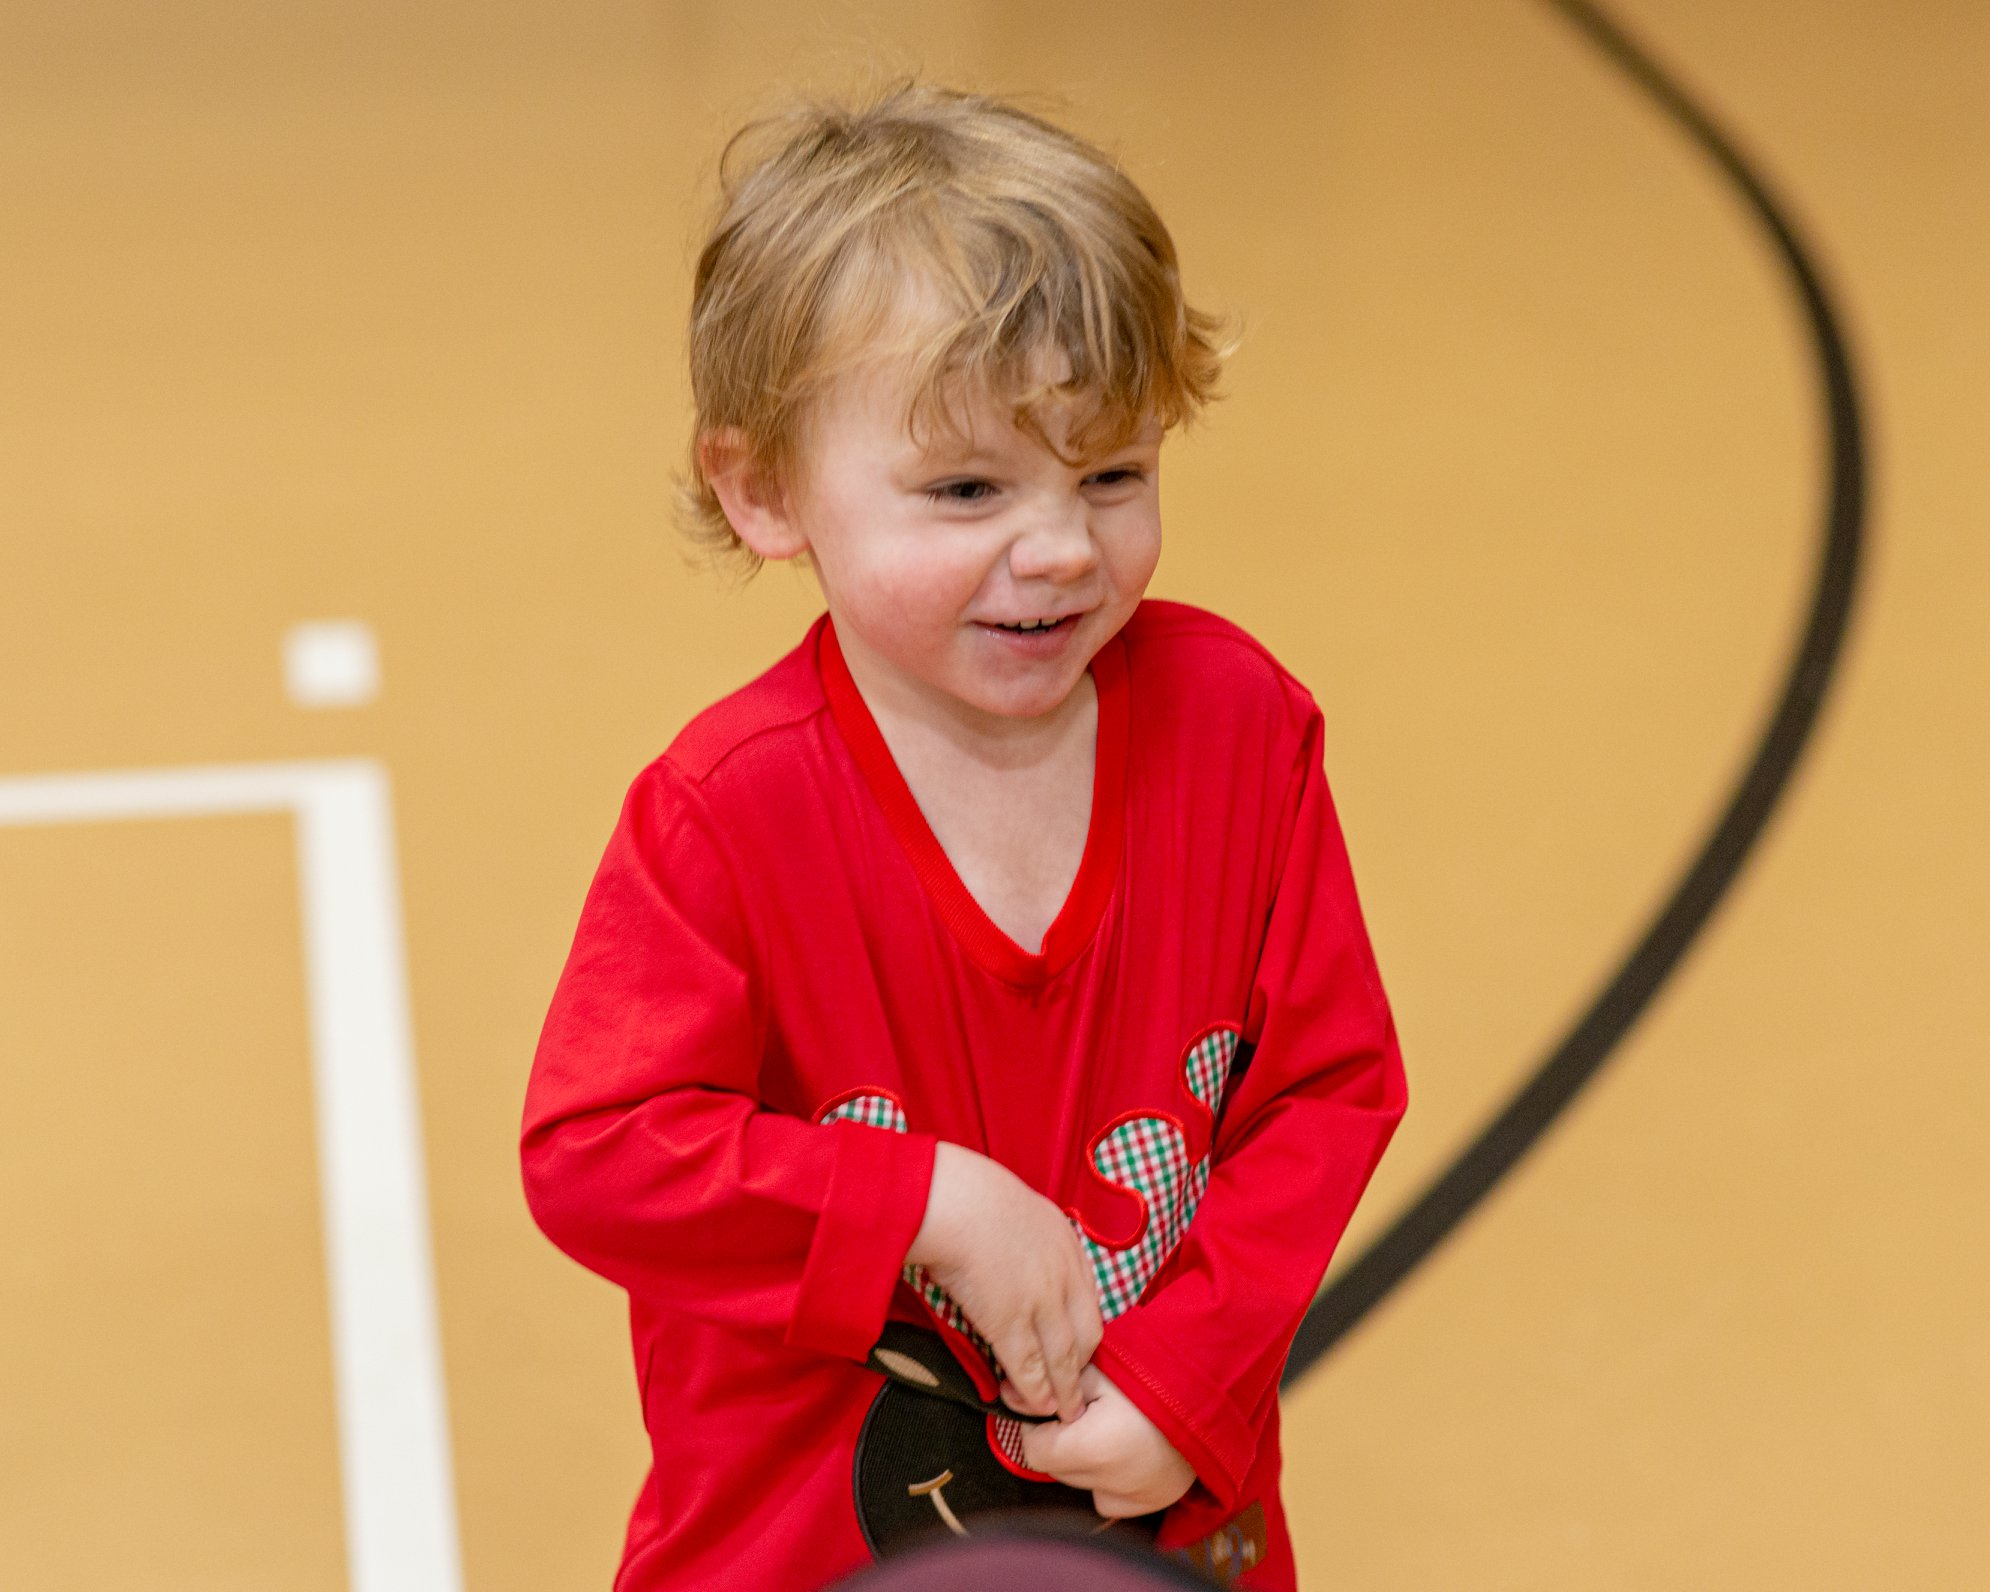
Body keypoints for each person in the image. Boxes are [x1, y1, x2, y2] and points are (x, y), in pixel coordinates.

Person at [521, 81, 1407, 1592]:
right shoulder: (726, 812)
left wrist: (1187, 1386)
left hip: (1164, 1530)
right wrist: (926, 1205)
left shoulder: (1241, 727)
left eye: (1112, 474)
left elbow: (1324, 1087)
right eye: (966, 488)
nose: (1059, 548)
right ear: (764, 491)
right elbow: (597, 1155)